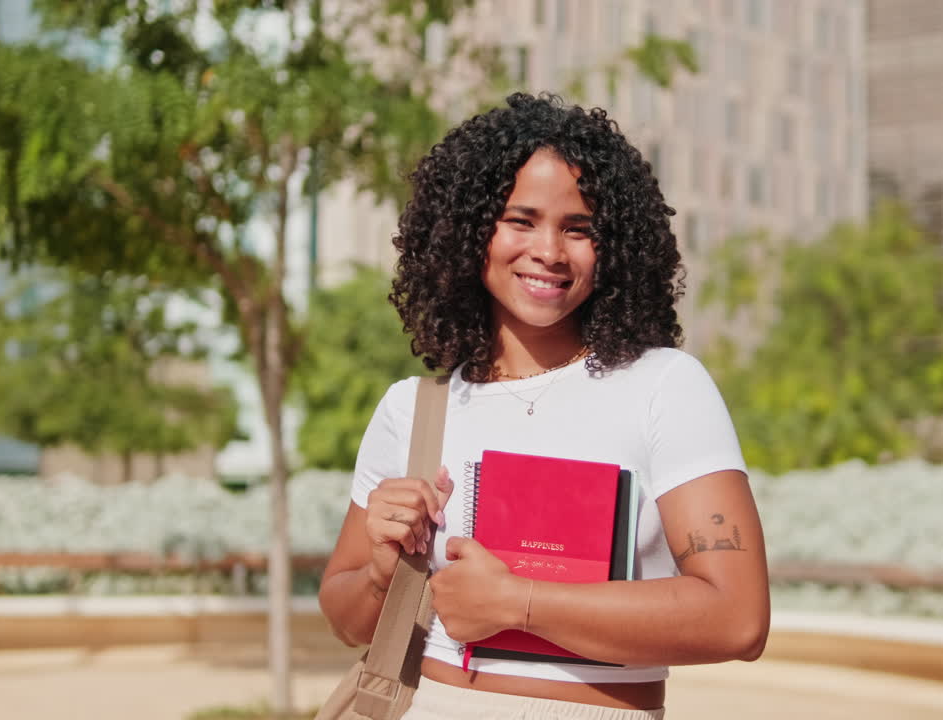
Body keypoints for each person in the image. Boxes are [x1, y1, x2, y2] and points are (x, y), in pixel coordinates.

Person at [319, 93, 769, 719]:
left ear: (614, 246)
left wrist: (518, 603)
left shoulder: (664, 386)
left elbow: (738, 618)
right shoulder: (416, 411)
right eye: (520, 220)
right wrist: (380, 569)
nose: (550, 251)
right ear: (468, 231)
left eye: (578, 228)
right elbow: (345, 619)